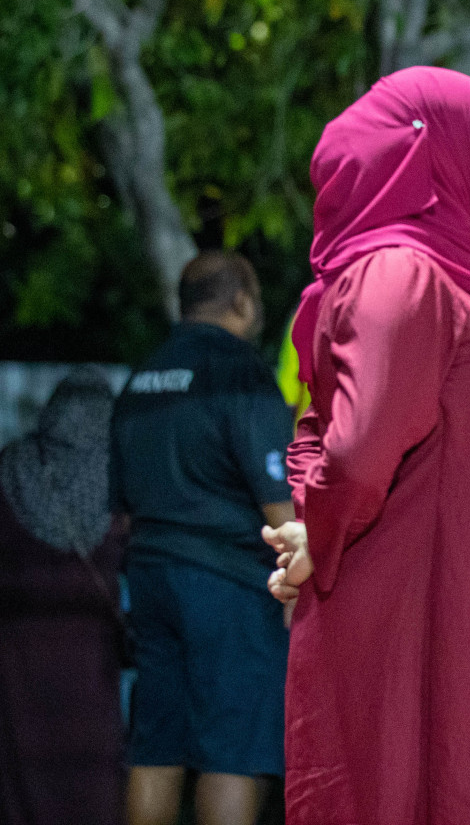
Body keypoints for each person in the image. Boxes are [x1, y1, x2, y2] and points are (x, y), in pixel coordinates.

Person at [260, 66, 470, 825]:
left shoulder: (445, 275)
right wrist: (320, 535)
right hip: (428, 621)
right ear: (430, 153)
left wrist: (318, 535)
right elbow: (353, 446)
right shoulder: (401, 275)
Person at [111, 252, 296, 825]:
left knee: (156, 742)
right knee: (234, 748)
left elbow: (117, 505)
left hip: (149, 581)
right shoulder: (239, 368)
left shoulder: (142, 377)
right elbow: (277, 498)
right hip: (229, 587)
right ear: (241, 299)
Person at [0, 368, 127, 825]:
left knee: (22, 781)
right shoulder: (117, 479)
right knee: (91, 781)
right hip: (90, 664)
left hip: (17, 662)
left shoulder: (12, 466)